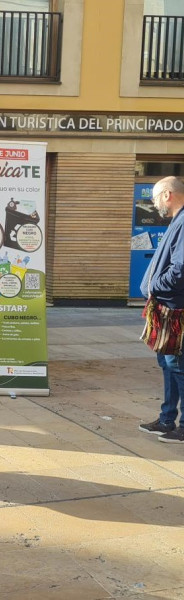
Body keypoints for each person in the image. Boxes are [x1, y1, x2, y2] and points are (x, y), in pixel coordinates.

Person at [140, 176, 184, 443]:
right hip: (166, 307)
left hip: (175, 309)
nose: (155, 204)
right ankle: (167, 420)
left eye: (156, 198)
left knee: (177, 365)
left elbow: (180, 270)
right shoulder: (176, 221)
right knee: (167, 363)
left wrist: (153, 285)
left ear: (167, 194)